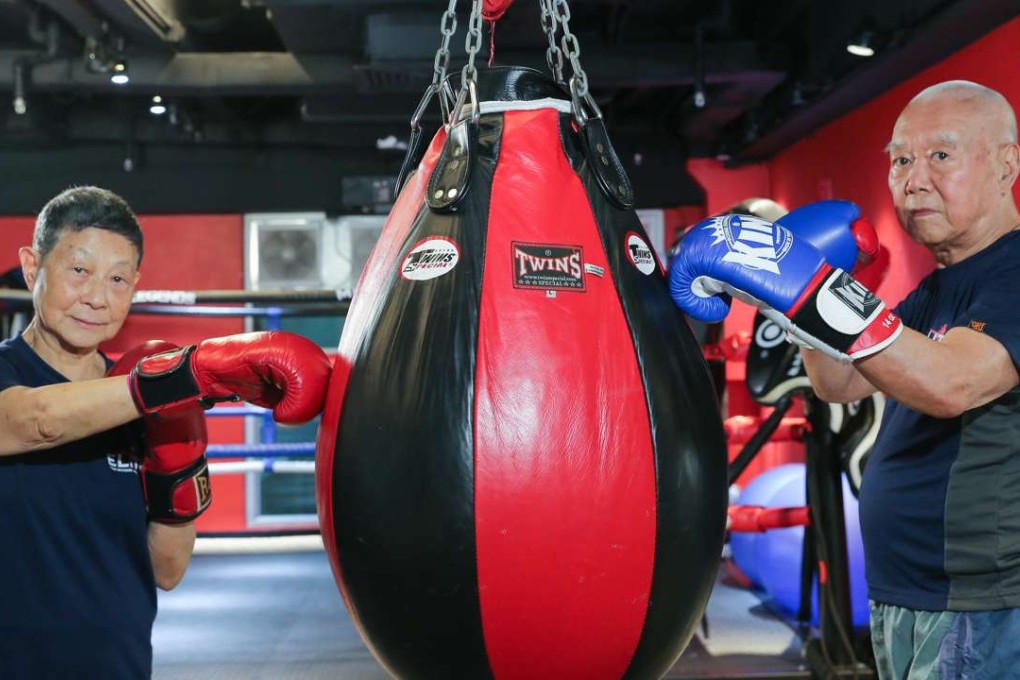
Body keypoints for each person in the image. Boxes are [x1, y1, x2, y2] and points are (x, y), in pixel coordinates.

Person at [668, 80, 1020, 678]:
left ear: (1007, 164)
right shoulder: (936, 289)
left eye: (941, 154)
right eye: (901, 159)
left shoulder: (1011, 274)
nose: (914, 179)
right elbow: (839, 383)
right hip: (905, 592)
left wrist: (813, 286)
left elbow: (952, 383)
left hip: (981, 603)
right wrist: (793, 304)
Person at [0, 186, 331, 678]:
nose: (96, 297)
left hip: (120, 666)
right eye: (78, 271)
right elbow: (36, 421)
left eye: (117, 279)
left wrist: (179, 462)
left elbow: (167, 571)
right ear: (32, 268)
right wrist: (184, 377)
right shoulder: (15, 376)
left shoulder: (144, 401)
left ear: (135, 285)